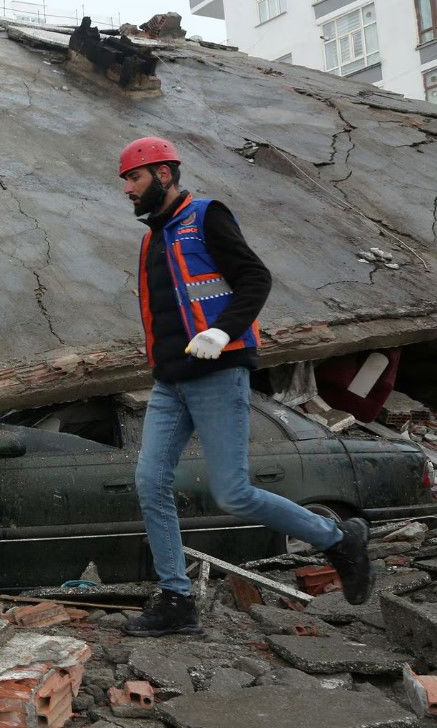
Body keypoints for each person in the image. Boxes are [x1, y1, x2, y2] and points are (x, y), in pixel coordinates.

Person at [118, 136, 372, 637]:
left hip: (217, 372)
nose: (127, 189)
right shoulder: (152, 238)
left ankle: (339, 538)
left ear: (163, 174)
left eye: (133, 178)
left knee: (232, 493)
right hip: (171, 383)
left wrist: (222, 331)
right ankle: (176, 600)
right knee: (150, 483)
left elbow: (255, 278)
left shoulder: (207, 215)